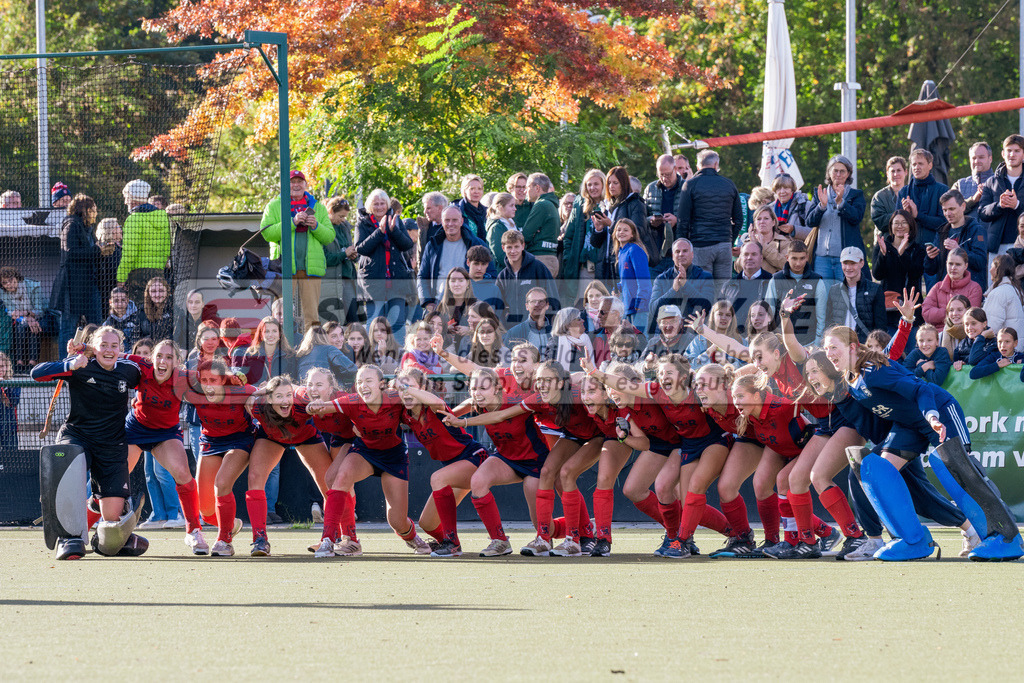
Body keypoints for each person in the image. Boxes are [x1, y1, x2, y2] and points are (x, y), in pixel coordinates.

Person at [823, 325, 1023, 561]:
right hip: (908, 425)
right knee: (880, 473)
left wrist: (932, 417)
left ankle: (1005, 538)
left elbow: (921, 389)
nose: (829, 354)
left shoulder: (874, 372)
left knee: (961, 472)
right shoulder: (851, 379)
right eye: (826, 349)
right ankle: (912, 541)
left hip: (938, 411)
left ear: (852, 347)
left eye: (833, 347)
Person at [31, 326, 144, 560]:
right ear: (95, 346)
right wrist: (71, 364)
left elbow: (148, 369)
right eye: (103, 345)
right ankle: (68, 537)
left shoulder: (129, 370)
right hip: (77, 437)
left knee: (113, 519)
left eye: (114, 346)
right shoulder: (80, 366)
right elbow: (36, 373)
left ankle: (103, 531)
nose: (109, 350)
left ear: (121, 348)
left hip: (112, 446)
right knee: (68, 464)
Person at [309, 365, 433, 555]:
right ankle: (329, 540)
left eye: (368, 381)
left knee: (397, 521)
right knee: (339, 478)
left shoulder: (395, 397)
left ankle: (412, 538)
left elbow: (429, 401)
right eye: (359, 382)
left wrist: (408, 388)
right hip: (365, 452)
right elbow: (324, 406)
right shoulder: (352, 400)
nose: (363, 386)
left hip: (394, 458)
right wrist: (313, 406)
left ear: (382, 384)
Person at [122, 339, 206, 551]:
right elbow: (111, 354)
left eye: (169, 357)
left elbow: (216, 377)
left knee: (183, 473)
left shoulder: (185, 377)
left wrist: (238, 378)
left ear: (177, 362)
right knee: (116, 476)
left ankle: (194, 532)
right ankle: (84, 530)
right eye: (159, 356)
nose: (163, 361)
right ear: (152, 358)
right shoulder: (141, 365)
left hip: (165, 433)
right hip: (136, 429)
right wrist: (83, 350)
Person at [259, 171, 335, 330]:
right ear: (285, 185)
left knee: (312, 315)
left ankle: (311, 344)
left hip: (311, 268)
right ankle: (280, 341)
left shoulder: (318, 207)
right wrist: (292, 222)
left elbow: (329, 236)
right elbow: (266, 233)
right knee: (280, 314)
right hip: (283, 267)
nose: (296, 185)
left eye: (300, 181)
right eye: (292, 182)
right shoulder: (274, 206)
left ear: (306, 185)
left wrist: (316, 226)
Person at [355, 188, 414, 339]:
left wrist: (394, 231)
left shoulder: (396, 220)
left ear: (387, 205)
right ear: (370, 206)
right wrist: (379, 232)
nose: (379, 207)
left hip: (396, 278)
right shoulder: (363, 223)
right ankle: (373, 352)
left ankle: (398, 352)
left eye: (382, 203)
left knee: (397, 322)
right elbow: (361, 248)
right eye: (376, 204)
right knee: (375, 322)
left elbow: (407, 245)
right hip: (373, 280)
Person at [677, 150, 743, 282]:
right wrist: (729, 240)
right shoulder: (729, 184)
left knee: (701, 288)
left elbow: (682, 221)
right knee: (723, 289)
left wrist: (683, 247)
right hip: (724, 244)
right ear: (716, 164)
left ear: (698, 166)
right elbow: (739, 219)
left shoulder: (690, 185)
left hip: (700, 244)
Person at [52, 194, 104, 353]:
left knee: (95, 325)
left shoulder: (88, 228)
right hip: (72, 287)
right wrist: (96, 250)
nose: (95, 213)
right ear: (85, 209)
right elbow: (70, 252)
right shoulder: (71, 225)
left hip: (88, 284)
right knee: (68, 327)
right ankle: (64, 362)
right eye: (93, 209)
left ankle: (95, 358)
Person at [418, 206, 494, 311]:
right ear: (442, 222)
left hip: (469, 306)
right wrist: (427, 302)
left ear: (461, 221)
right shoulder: (433, 245)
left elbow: (490, 273)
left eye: (454, 220)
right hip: (438, 304)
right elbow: (422, 276)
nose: (450, 224)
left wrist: (479, 300)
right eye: (447, 220)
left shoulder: (476, 243)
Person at [806, 155, 867, 282]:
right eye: (835, 170)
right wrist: (821, 206)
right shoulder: (820, 194)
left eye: (842, 171)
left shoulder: (856, 195)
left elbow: (856, 218)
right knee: (822, 294)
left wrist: (842, 204)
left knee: (846, 293)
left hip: (846, 259)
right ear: (829, 172)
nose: (838, 174)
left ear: (848, 174)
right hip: (821, 259)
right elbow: (810, 222)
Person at [592, 166, 657, 279]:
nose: (611, 186)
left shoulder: (635, 203)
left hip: (625, 262)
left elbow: (638, 232)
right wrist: (598, 230)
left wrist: (611, 225)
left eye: (615, 183)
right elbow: (596, 244)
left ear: (624, 183)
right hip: (604, 265)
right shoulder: (607, 205)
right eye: (609, 183)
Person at [116, 180, 172, 307]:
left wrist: (121, 278)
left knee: (140, 312)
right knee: (156, 310)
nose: (125, 202)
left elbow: (129, 254)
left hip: (138, 276)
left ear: (132, 198)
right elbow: (167, 248)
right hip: (159, 273)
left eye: (126, 198)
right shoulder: (164, 218)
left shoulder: (134, 219)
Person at [648, 238, 714, 337]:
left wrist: (685, 285)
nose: (681, 254)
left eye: (685, 251)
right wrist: (673, 290)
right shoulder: (661, 279)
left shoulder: (705, 277)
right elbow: (653, 309)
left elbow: (706, 306)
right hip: (665, 335)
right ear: (672, 256)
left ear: (692, 254)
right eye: (677, 251)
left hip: (694, 334)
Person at [871, 210, 925, 331]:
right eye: (896, 223)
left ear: (910, 225)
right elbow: (877, 274)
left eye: (904, 222)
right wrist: (883, 255)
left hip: (911, 307)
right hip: (888, 307)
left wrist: (902, 254)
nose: (900, 226)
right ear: (891, 226)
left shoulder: (918, 249)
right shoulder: (882, 246)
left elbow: (916, 273)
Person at [925, 189, 989, 289]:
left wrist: (959, 250)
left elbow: (980, 262)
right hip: (946, 291)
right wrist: (930, 258)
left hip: (969, 290)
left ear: (963, 206)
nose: (948, 213)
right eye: (945, 210)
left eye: (952, 209)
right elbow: (931, 270)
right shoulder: (942, 232)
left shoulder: (977, 230)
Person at [764, 241, 826, 345]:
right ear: (787, 257)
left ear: (807, 257)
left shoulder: (817, 281)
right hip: (781, 342)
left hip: (809, 343)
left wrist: (817, 343)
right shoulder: (776, 279)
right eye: (794, 258)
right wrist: (771, 341)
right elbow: (769, 313)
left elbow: (821, 317)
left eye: (802, 258)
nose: (798, 263)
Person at [495, 229, 559, 327]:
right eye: (509, 247)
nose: (513, 251)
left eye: (516, 246)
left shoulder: (538, 268)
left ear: (523, 246)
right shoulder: (502, 277)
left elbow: (553, 299)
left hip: (538, 328)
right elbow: (497, 308)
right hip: (513, 330)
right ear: (503, 248)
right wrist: (505, 327)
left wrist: (544, 323)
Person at [562, 169, 609, 299]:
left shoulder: (609, 204)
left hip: (604, 265)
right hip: (585, 265)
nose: (592, 188)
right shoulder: (579, 205)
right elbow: (569, 235)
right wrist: (568, 257)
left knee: (605, 304)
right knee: (586, 303)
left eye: (596, 184)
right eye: (589, 184)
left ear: (603, 185)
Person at [823, 247, 886, 341]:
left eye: (853, 263)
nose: (848, 268)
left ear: (862, 263)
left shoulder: (875, 289)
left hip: (864, 345)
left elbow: (881, 327)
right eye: (845, 263)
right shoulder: (834, 290)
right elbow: (828, 323)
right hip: (840, 343)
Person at [979, 134, 1024, 260]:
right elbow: (982, 213)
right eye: (1009, 151)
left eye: (1017, 151)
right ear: (1003, 154)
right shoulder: (991, 182)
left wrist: (1017, 205)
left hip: (1022, 245)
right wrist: (999, 205)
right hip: (997, 247)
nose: (1012, 154)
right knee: (996, 274)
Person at [897, 148, 949, 250]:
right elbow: (897, 227)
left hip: (935, 248)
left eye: (920, 164)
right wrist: (906, 215)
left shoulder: (943, 190)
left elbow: (944, 223)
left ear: (930, 165)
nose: (916, 167)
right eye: (914, 164)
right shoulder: (903, 192)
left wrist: (918, 215)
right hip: (909, 249)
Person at [718, 241, 771, 337]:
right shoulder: (729, 285)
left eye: (754, 254)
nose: (749, 258)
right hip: (733, 337)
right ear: (740, 258)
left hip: (761, 338)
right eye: (746, 254)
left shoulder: (772, 282)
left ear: (761, 258)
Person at [643, 154, 686, 270]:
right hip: (655, 251)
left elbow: (696, 218)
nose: (664, 178)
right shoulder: (650, 189)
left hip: (679, 252)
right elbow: (642, 217)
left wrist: (677, 221)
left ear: (675, 169)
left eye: (668, 174)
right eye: (661, 175)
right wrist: (651, 220)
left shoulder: (687, 187)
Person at [922, 248, 984, 325]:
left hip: (963, 331)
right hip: (937, 332)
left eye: (958, 264)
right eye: (950, 264)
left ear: (966, 266)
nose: (953, 268)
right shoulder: (938, 287)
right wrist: (951, 312)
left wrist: (943, 313)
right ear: (946, 264)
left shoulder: (975, 288)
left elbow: (970, 316)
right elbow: (926, 313)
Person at [323, 196, 359, 324]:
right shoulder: (323, 228)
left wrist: (353, 255)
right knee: (334, 321)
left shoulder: (344, 227)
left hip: (348, 277)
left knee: (353, 319)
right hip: (332, 280)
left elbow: (348, 249)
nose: (343, 219)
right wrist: (344, 254)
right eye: (341, 216)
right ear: (331, 211)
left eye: (345, 217)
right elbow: (325, 258)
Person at [0, 267, 44, 370]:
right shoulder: (3, 293)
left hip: (41, 318)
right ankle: (20, 364)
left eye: (11, 280)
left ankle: (32, 364)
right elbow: (11, 312)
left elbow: (40, 311)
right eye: (5, 283)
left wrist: (26, 314)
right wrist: (26, 318)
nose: (9, 284)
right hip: (21, 320)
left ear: (17, 278)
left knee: (34, 327)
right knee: (21, 327)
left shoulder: (33, 286)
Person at [613, 218, 652, 329]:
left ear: (632, 234)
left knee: (640, 338)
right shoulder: (621, 252)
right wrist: (618, 289)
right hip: (627, 307)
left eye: (626, 230)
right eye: (619, 230)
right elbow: (627, 280)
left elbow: (644, 280)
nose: (621, 232)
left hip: (638, 308)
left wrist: (640, 304)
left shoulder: (635, 250)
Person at [235, 316, 298, 386]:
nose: (270, 335)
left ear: (280, 334)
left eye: (274, 331)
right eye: (266, 331)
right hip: (257, 392)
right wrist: (259, 386)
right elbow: (244, 382)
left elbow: (293, 382)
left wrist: (272, 386)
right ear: (261, 334)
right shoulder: (250, 354)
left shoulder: (289, 356)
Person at [520, 173, 561, 276]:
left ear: (537, 188)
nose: (525, 191)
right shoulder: (552, 204)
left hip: (540, 259)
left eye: (527, 187)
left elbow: (526, 235)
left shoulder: (542, 204)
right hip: (551, 258)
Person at [983, 255, 1024, 351]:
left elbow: (992, 325)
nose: (990, 270)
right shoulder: (1016, 289)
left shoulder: (999, 293)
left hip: (1002, 349)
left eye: (992, 267)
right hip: (1015, 347)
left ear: (998, 269)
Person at [737, 205, 792, 274]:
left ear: (773, 222)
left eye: (766, 218)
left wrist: (764, 247)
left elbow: (786, 265)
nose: (762, 222)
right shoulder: (748, 242)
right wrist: (753, 245)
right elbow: (738, 268)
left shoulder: (784, 242)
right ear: (755, 223)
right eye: (759, 219)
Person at [638, 305, 688, 377]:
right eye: (664, 322)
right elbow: (637, 366)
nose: (668, 326)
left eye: (673, 321)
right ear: (659, 325)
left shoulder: (691, 341)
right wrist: (646, 366)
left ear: (681, 323)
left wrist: (659, 365)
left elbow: (693, 367)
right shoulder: (653, 342)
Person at [952, 141, 994, 221]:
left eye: (981, 157)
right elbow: (951, 210)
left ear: (990, 159)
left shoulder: (1000, 182)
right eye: (974, 158)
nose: (977, 161)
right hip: (966, 229)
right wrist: (973, 200)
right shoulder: (959, 184)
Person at [128, 277, 173, 347]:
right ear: (148, 293)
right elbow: (135, 338)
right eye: (153, 291)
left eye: (161, 291)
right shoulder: (141, 311)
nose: (157, 294)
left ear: (167, 292)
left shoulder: (173, 310)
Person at [870, 156, 909, 234]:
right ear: (887, 174)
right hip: (887, 240)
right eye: (892, 171)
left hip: (910, 239)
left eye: (899, 170)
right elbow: (880, 222)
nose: (896, 174)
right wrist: (901, 212)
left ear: (905, 172)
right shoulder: (879, 197)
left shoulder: (913, 193)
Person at [174, 288, 219, 353]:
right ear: (187, 304)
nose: (193, 305)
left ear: (202, 304)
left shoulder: (211, 321)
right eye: (190, 302)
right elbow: (177, 342)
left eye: (197, 302)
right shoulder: (182, 320)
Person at [484, 192, 518, 272]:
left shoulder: (511, 223)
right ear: (500, 207)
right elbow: (500, 255)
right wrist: (517, 266)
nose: (515, 209)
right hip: (503, 272)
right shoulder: (496, 227)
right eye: (511, 205)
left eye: (514, 205)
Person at [94, 218, 123, 311]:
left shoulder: (112, 248)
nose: (121, 230)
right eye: (118, 227)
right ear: (112, 230)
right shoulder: (110, 251)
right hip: (108, 297)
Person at [465, 245, 503, 316]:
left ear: (487, 265)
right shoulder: (459, 285)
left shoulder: (494, 290)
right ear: (468, 262)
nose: (479, 268)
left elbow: (498, 318)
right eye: (476, 264)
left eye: (483, 264)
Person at [770, 173, 810, 239]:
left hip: (798, 245)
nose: (782, 191)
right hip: (776, 245)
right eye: (778, 188)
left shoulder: (805, 205)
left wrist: (794, 229)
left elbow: (814, 232)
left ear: (792, 189)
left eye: (786, 188)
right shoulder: (769, 209)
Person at [454, 174, 487, 239]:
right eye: (472, 189)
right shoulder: (458, 211)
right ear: (464, 191)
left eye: (479, 189)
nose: (476, 192)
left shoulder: (487, 212)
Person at [0, 352, 18, 450]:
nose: (0, 369)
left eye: (2, 366)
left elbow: (14, 401)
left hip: (9, 427)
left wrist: (5, 386)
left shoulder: (14, 383)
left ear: (7, 367)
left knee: (12, 454)